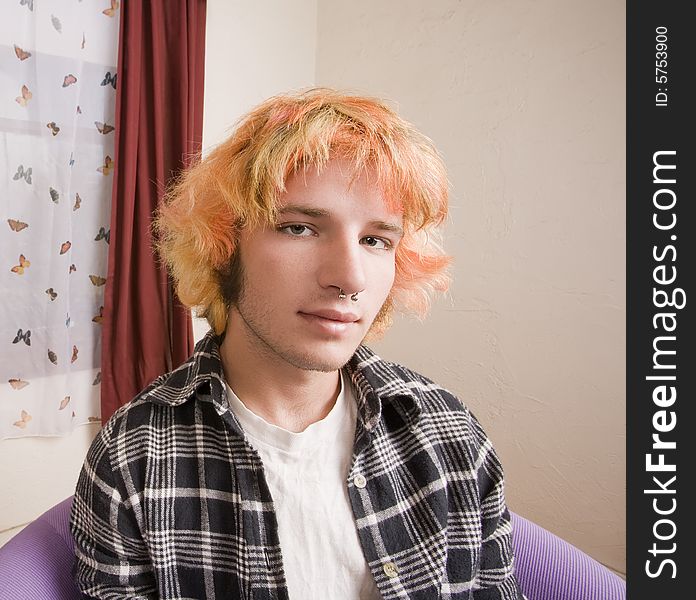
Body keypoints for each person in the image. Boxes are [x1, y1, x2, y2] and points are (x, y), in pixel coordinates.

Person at [70, 88, 525, 599]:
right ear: (222, 248)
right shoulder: (134, 459)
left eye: (377, 240)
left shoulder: (449, 434)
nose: (349, 278)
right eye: (300, 228)